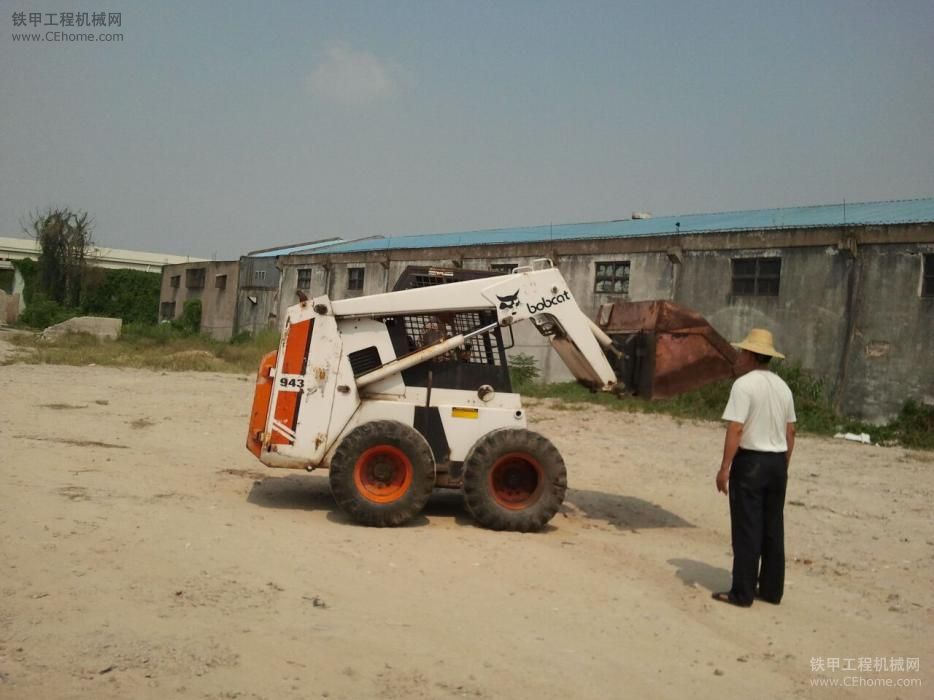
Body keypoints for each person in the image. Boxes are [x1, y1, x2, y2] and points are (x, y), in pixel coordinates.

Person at [712, 328, 796, 608]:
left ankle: (742, 592)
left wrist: (725, 467)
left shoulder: (744, 385)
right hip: (777, 462)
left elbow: (736, 428)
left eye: (741, 352)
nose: (738, 357)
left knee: (747, 528)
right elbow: (791, 431)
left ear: (749, 355)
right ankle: (772, 590)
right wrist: (783, 463)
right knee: (773, 527)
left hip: (751, 462)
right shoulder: (782, 386)